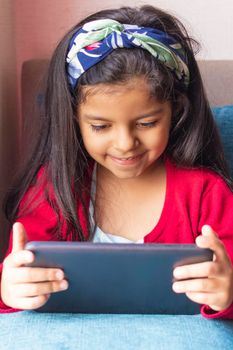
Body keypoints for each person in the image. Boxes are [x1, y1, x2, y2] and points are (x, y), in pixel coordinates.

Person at [0, 5, 233, 317]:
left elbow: (227, 284)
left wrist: (226, 294)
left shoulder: (207, 193)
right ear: (74, 120)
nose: (125, 144)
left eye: (146, 123)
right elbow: (17, 284)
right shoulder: (55, 187)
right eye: (100, 126)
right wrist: (10, 289)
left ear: (176, 111)